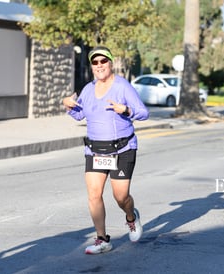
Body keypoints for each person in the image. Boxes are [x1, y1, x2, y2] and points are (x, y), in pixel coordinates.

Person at [62, 46, 149, 254]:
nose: (99, 65)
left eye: (103, 61)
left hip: (122, 149)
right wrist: (67, 105)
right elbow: (79, 114)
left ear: (110, 63)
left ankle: (131, 217)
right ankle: (102, 239)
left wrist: (126, 110)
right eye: (95, 62)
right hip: (95, 151)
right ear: (92, 66)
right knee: (94, 195)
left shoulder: (122, 86)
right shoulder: (88, 89)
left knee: (121, 197)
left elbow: (144, 113)